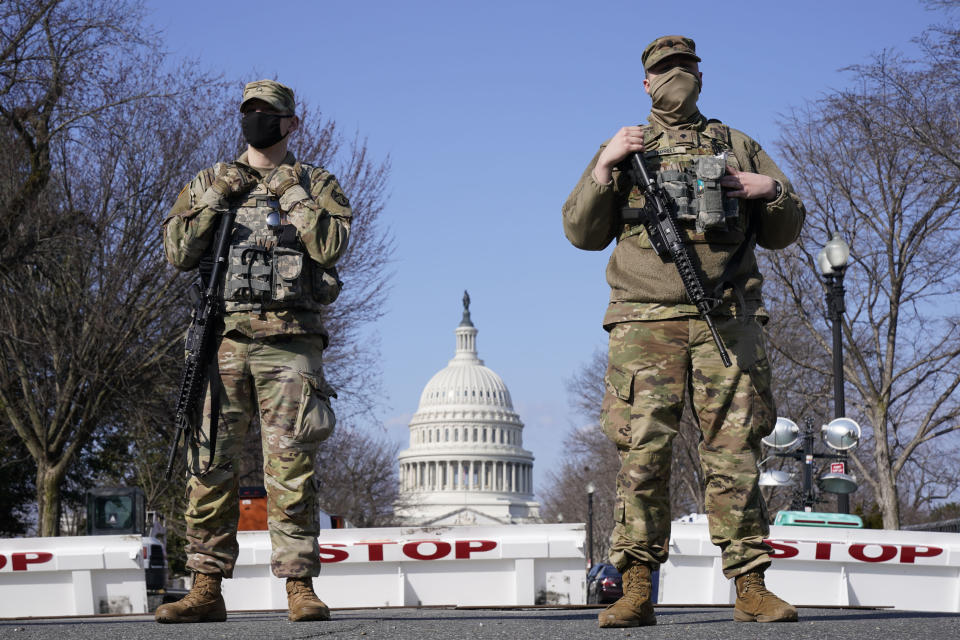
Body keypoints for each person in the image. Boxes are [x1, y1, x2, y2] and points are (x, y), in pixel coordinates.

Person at [562, 36, 804, 628]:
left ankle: (749, 584)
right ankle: (637, 586)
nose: (677, 76)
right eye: (665, 70)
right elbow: (580, 231)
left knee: (735, 452)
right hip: (645, 322)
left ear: (701, 75)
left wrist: (767, 191)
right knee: (642, 453)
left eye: (686, 67)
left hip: (727, 316)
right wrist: (604, 166)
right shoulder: (626, 146)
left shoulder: (737, 144)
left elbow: (784, 229)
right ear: (646, 83)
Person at [155, 79, 351, 623]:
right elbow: (176, 252)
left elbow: (332, 246)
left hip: (289, 347)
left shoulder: (316, 183)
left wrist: (290, 192)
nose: (257, 119)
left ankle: (299, 587)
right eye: (250, 111)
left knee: (291, 469)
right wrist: (219, 193)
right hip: (223, 343)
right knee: (208, 464)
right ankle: (205, 588)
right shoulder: (210, 181)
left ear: (291, 123)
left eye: (268, 112)